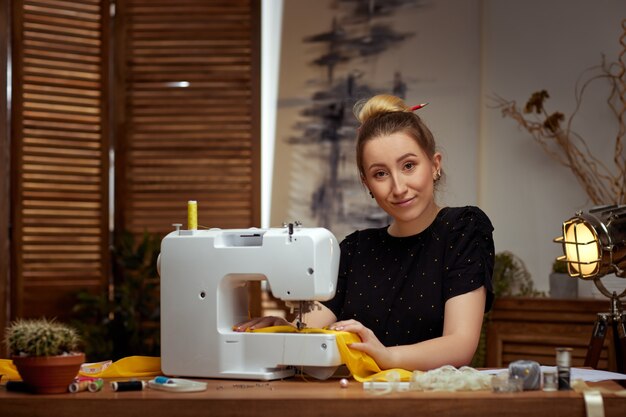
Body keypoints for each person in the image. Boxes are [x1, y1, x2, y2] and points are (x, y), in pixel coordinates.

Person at [236, 94, 495, 372]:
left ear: (434, 165)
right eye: (380, 174)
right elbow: (312, 328)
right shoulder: (356, 248)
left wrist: (387, 356)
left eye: (409, 166)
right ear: (366, 183)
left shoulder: (462, 229)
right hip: (360, 402)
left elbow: (460, 344)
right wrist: (284, 331)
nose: (398, 187)